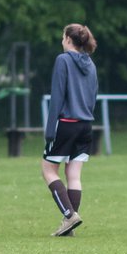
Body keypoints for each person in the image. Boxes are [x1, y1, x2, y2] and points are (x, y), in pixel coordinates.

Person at [43, 23, 99, 236]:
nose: (61, 41)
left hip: (66, 124)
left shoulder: (63, 60)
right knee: (73, 175)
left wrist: (50, 129)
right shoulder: (91, 64)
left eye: (62, 37)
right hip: (85, 125)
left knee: (48, 170)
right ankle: (69, 228)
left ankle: (69, 215)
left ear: (68, 39)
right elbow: (93, 96)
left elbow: (57, 96)